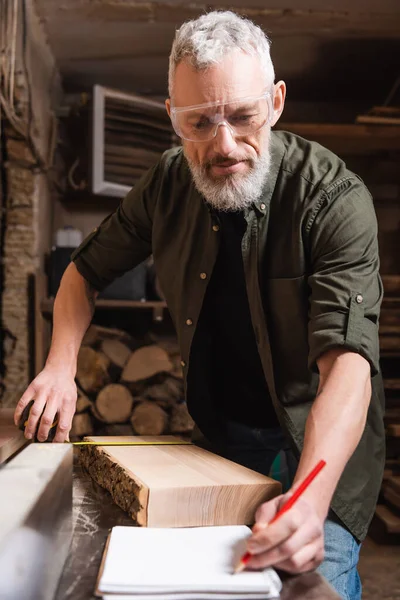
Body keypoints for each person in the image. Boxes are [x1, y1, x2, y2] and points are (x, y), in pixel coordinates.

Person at [14, 11, 384, 600]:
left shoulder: (334, 198)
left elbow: (348, 364)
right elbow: (83, 271)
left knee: (310, 582)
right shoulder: (166, 183)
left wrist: (309, 500)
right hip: (223, 439)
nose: (224, 145)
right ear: (171, 116)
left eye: (243, 117)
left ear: (277, 102)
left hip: (316, 448)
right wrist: (60, 367)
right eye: (199, 122)